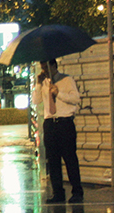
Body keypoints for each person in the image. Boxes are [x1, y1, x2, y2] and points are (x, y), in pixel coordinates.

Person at [33, 58, 84, 204]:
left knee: (69, 158)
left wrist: (58, 93)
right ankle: (58, 193)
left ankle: (77, 192)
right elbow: (36, 101)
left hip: (64, 122)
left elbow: (76, 99)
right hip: (50, 123)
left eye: (46, 68)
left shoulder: (66, 80)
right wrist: (38, 83)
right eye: (42, 68)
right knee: (53, 160)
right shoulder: (43, 83)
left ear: (54, 66)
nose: (44, 71)